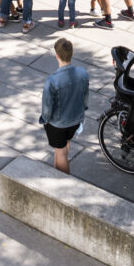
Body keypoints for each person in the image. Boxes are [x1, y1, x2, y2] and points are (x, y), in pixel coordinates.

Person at [39, 37, 89, 174]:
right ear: (71, 53)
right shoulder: (82, 73)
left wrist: (44, 119)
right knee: (63, 147)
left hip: (58, 124)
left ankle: (64, 180)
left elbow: (47, 108)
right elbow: (85, 98)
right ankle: (56, 173)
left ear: (57, 55)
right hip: (75, 120)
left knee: (60, 153)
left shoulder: (52, 80)